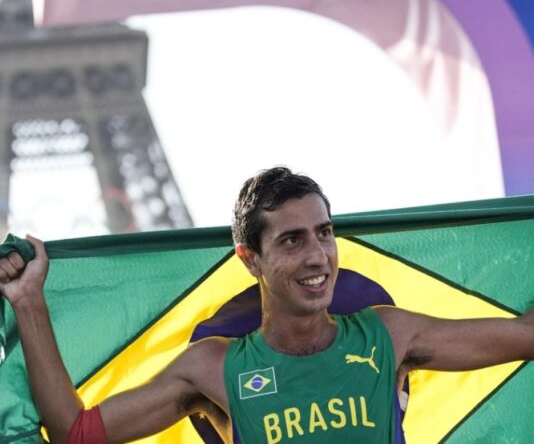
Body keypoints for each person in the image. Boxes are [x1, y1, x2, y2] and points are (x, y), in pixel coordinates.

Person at [1, 166, 534, 444]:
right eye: (292, 240)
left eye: (324, 233)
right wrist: (28, 302)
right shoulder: (213, 368)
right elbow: (77, 433)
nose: (318, 256)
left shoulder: (389, 335)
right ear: (249, 259)